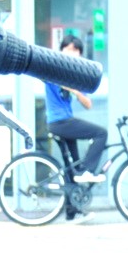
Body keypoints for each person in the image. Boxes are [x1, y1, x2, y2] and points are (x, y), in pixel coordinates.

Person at [43, 34, 107, 180]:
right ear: (61, 50)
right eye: (68, 49)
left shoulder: (74, 76)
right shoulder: (53, 70)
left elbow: (88, 105)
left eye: (76, 50)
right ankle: (88, 171)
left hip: (65, 122)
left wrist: (76, 91)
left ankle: (70, 200)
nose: (72, 53)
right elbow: (41, 74)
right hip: (59, 122)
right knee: (101, 133)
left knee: (73, 168)